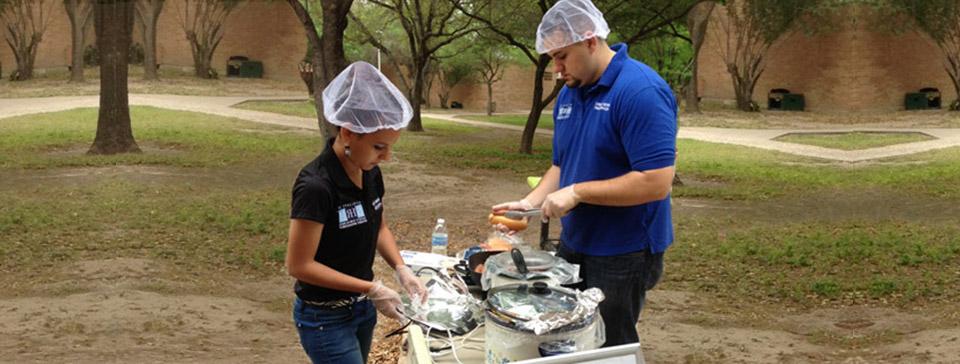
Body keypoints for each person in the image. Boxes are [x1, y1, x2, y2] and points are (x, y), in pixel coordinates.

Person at [492, 0, 677, 347]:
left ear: (590, 40)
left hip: (625, 249)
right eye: (552, 60)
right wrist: (529, 204)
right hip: (576, 242)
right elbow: (563, 165)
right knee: (568, 337)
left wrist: (578, 193)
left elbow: (656, 182)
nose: (557, 69)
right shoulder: (570, 94)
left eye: (562, 56)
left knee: (610, 344)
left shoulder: (640, 91)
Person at [285, 61, 427, 364]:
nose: (386, 157)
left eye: (389, 147)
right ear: (348, 133)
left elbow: (379, 227)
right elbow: (299, 265)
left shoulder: (369, 172)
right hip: (324, 317)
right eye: (378, 147)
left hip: (362, 308)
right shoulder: (316, 186)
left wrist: (402, 269)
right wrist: (372, 287)